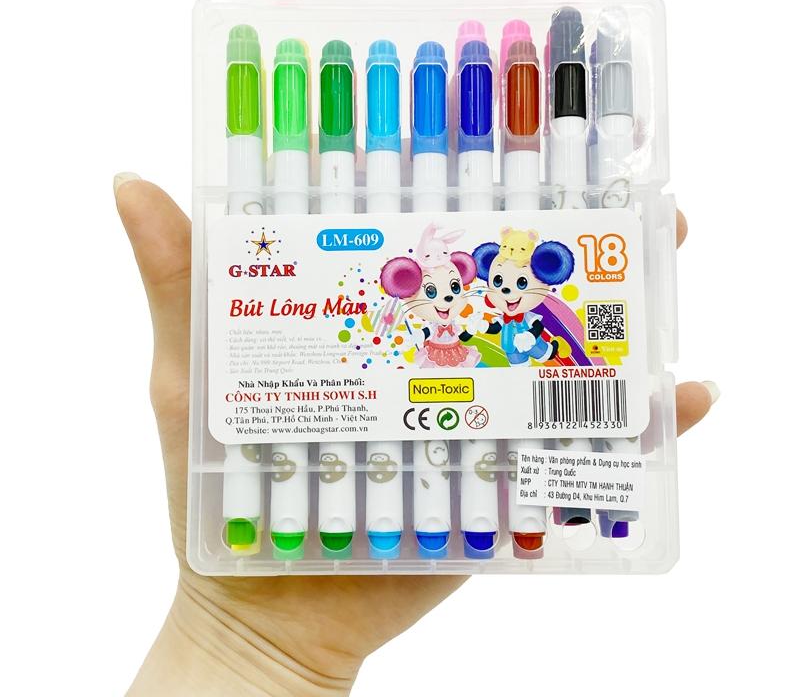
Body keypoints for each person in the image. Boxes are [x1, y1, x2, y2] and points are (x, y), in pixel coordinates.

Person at [114, 172, 718, 696]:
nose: (447, 297)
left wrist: (243, 652)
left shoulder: (509, 314)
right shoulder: (407, 314)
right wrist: (243, 643)